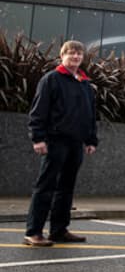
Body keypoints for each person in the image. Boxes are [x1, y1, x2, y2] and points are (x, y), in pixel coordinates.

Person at [24, 40, 98, 247]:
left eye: (79, 54)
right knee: (45, 186)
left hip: (76, 143)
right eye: (71, 53)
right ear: (62, 55)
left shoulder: (85, 84)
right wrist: (38, 138)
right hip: (55, 140)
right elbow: (38, 111)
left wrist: (91, 139)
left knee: (66, 188)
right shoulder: (51, 80)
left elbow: (90, 115)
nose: (75, 57)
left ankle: (59, 230)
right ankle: (33, 232)